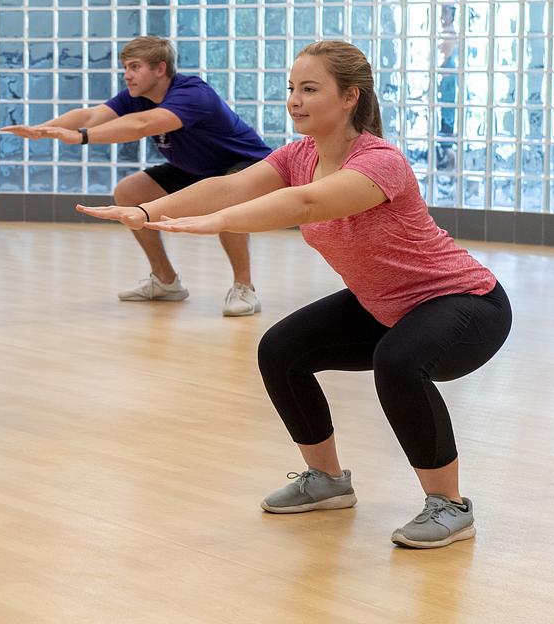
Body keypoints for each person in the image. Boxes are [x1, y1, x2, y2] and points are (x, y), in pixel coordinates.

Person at [78, 41, 512, 549]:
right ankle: (325, 481)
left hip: (465, 303)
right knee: (281, 349)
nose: (295, 100)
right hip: (382, 303)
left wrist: (215, 223)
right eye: (291, 89)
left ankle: (449, 506)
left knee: (398, 362)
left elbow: (305, 203)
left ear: (350, 97)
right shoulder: (300, 155)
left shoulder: (380, 161)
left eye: (310, 89)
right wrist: (149, 212)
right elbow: (227, 187)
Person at [1, 36, 272, 316]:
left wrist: (81, 138)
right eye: (125, 68)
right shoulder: (137, 97)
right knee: (130, 192)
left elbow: (142, 125)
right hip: (199, 167)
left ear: (160, 68)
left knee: (225, 198)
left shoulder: (192, 93)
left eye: (134, 67)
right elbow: (92, 116)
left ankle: (244, 287)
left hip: (249, 165)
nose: (127, 75)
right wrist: (42, 129)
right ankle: (165, 281)